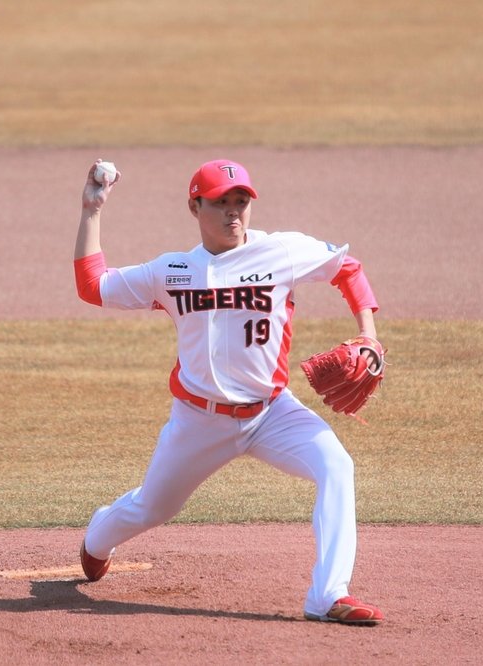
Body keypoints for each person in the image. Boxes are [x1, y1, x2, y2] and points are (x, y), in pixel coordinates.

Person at [73, 158, 384, 626]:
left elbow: (349, 267)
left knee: (337, 465)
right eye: (220, 203)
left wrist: (370, 333)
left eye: (241, 202)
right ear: (195, 207)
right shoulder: (172, 271)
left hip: (272, 412)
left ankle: (328, 595)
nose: (233, 212)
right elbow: (92, 286)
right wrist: (91, 211)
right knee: (152, 508)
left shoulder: (281, 252)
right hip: (199, 421)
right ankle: (97, 538)